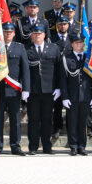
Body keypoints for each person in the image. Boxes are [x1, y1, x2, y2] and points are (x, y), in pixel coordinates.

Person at [0, 21, 30, 156]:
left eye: (10, 32)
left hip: (14, 91)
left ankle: (15, 146)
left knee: (15, 120)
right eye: (5, 32)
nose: (8, 34)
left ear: (14, 34)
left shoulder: (20, 48)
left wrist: (26, 88)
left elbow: (25, 69)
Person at [26, 24, 61, 154]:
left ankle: (47, 146)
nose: (37, 36)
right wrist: (25, 89)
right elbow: (24, 71)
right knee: (33, 120)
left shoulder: (53, 49)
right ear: (31, 35)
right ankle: (33, 146)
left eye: (40, 33)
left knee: (47, 119)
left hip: (49, 91)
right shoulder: (26, 49)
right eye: (35, 33)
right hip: (33, 91)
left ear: (44, 35)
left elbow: (59, 70)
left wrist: (58, 88)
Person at [60, 34, 92, 155]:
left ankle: (82, 146)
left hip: (86, 96)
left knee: (83, 122)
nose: (79, 45)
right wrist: (65, 97)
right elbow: (63, 80)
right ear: (72, 44)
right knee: (72, 122)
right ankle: (73, 146)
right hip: (72, 96)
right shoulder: (66, 58)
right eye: (76, 43)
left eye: (81, 43)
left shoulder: (88, 58)